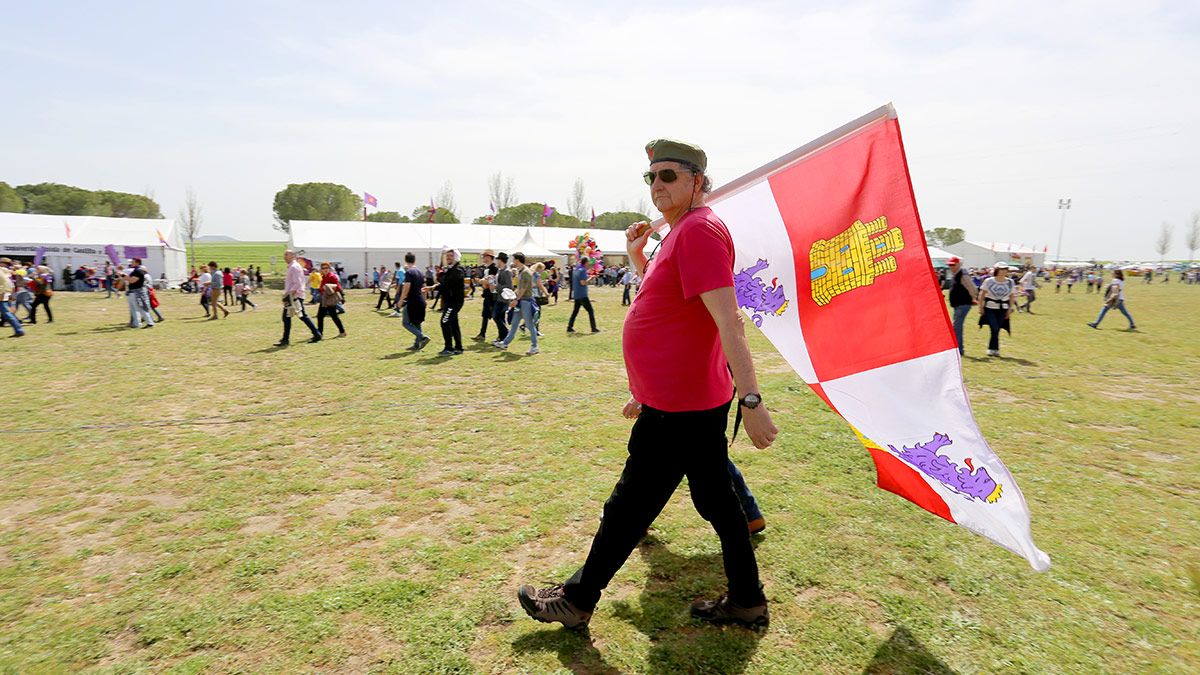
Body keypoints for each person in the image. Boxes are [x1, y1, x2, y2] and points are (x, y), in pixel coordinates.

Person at [518, 139, 777, 630]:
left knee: (628, 509)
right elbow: (671, 310)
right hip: (678, 400)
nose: (657, 185)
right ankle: (747, 600)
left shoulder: (700, 230)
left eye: (669, 176)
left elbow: (729, 322)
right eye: (651, 177)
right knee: (719, 505)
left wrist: (752, 401)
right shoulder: (680, 233)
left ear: (697, 181)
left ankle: (577, 599)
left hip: (682, 409)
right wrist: (639, 256)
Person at [494, 252, 539, 355]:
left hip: (525, 301)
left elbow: (522, 290)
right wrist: (512, 296)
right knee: (514, 324)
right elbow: (519, 289)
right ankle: (505, 343)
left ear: (518, 260)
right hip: (521, 301)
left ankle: (534, 346)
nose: (513, 261)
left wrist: (515, 300)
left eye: (514, 259)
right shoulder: (521, 271)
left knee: (529, 324)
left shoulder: (525, 273)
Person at [277, 250, 322, 346]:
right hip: (293, 295)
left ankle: (316, 334)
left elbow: (298, 283)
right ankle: (286, 339)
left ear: (293, 256)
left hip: (294, 296)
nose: (284, 256)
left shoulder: (294, 267)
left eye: (286, 254)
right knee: (290, 317)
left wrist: (290, 295)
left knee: (299, 316)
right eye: (284, 254)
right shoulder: (293, 267)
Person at [976, 262, 1014, 357]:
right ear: (997, 270)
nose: (1003, 271)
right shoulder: (989, 281)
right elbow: (982, 294)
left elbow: (1012, 296)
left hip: (1003, 308)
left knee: (997, 329)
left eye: (1005, 269)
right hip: (990, 307)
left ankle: (994, 349)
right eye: (1001, 269)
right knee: (994, 327)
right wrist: (980, 306)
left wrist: (1010, 308)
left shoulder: (1010, 282)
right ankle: (992, 348)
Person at [433, 249, 465, 356]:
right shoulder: (450, 269)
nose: (448, 258)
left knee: (445, 322)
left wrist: (434, 287)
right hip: (449, 301)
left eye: (450, 256)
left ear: (456, 257)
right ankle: (459, 347)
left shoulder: (458, 270)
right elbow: (444, 283)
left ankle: (449, 348)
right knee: (453, 323)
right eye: (447, 256)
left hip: (454, 302)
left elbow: (447, 284)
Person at [396, 252, 431, 350]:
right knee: (417, 322)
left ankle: (423, 337)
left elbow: (406, 287)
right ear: (414, 260)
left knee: (405, 323)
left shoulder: (409, 272)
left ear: (406, 261)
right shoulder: (420, 272)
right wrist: (424, 300)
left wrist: (401, 300)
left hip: (413, 301)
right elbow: (424, 288)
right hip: (420, 301)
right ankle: (417, 345)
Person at [946, 256, 975, 356]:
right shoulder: (956, 274)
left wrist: (973, 298)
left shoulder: (962, 275)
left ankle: (958, 349)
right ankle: (958, 348)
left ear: (958, 264)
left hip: (963, 305)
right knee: (957, 326)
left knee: (956, 327)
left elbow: (972, 288)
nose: (951, 267)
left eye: (953, 265)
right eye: (949, 265)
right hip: (959, 305)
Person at [315, 262, 347, 338]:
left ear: (329, 269)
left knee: (333, 316)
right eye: (323, 268)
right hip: (324, 299)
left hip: (330, 300)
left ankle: (342, 332)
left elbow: (338, 287)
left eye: (327, 268)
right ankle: (320, 333)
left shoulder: (332, 276)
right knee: (321, 316)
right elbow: (321, 288)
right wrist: (322, 289)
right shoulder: (323, 277)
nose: (325, 269)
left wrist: (329, 288)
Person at [567, 260, 599, 333]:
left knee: (575, 311)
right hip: (582, 294)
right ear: (586, 263)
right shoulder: (583, 270)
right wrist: (591, 278)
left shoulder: (576, 270)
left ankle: (569, 327)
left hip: (576, 294)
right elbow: (583, 283)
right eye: (588, 263)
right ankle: (593, 328)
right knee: (590, 311)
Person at [473, 250, 499, 341]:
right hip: (488, 294)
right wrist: (483, 282)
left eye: (484, 256)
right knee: (485, 314)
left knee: (496, 316)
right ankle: (482, 334)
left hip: (493, 295)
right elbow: (485, 284)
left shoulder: (494, 268)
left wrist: (481, 281)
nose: (483, 258)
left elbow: (491, 282)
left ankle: (502, 333)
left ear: (489, 257)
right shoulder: (487, 269)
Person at [124, 258, 155, 329]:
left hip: (137, 292)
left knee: (141, 308)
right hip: (133, 291)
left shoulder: (138, 271)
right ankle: (136, 323)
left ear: (137, 263)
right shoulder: (136, 271)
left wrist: (124, 276)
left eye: (132, 262)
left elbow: (132, 281)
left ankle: (150, 323)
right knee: (134, 309)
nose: (131, 263)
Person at [490, 252, 513, 341]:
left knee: (496, 316)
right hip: (499, 297)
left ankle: (506, 333)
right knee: (501, 318)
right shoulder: (500, 271)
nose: (496, 261)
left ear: (501, 260)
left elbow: (509, 286)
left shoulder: (507, 272)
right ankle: (501, 337)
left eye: (497, 259)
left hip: (504, 298)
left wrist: (497, 286)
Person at [0, 259, 25, 337]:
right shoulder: (6, 272)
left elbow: (3, 283)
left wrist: (2, 293)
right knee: (7, 312)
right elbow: (11, 284)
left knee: (7, 313)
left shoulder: (4, 272)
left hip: (3, 293)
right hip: (7, 292)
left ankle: (19, 330)